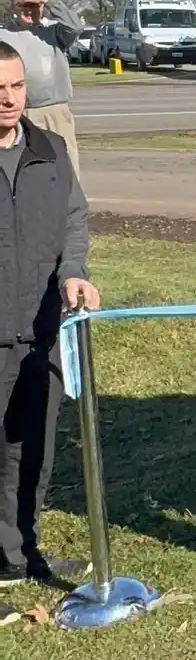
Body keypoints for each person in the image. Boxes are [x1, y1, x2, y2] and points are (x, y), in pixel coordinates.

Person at [0, 40, 96, 589]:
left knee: (31, 448)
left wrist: (73, 272)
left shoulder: (51, 150)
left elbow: (74, 219)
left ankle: (20, 552)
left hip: (41, 330)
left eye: (16, 87)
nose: (9, 99)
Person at [0, 0, 84, 175]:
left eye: (35, 6)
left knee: (65, 164)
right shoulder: (4, 35)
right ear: (14, 8)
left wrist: (48, 0)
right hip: (17, 112)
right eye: (24, 5)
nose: (30, 10)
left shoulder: (55, 33)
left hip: (53, 111)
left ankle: (69, 203)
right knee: (23, 166)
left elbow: (76, 26)